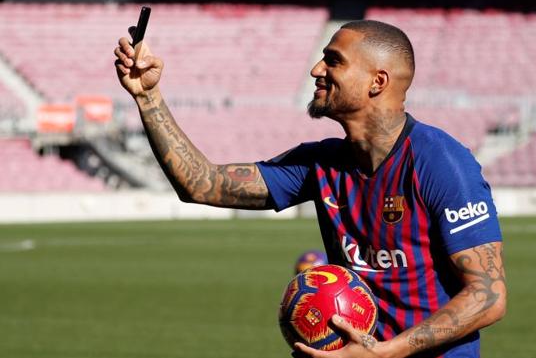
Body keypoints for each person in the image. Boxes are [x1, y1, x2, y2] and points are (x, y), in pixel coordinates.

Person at [114, 19, 506, 358]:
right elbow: (203, 184)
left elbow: (488, 295)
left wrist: (387, 352)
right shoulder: (320, 162)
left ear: (378, 81)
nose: (317, 69)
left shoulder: (441, 162)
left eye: (334, 60)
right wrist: (148, 97)